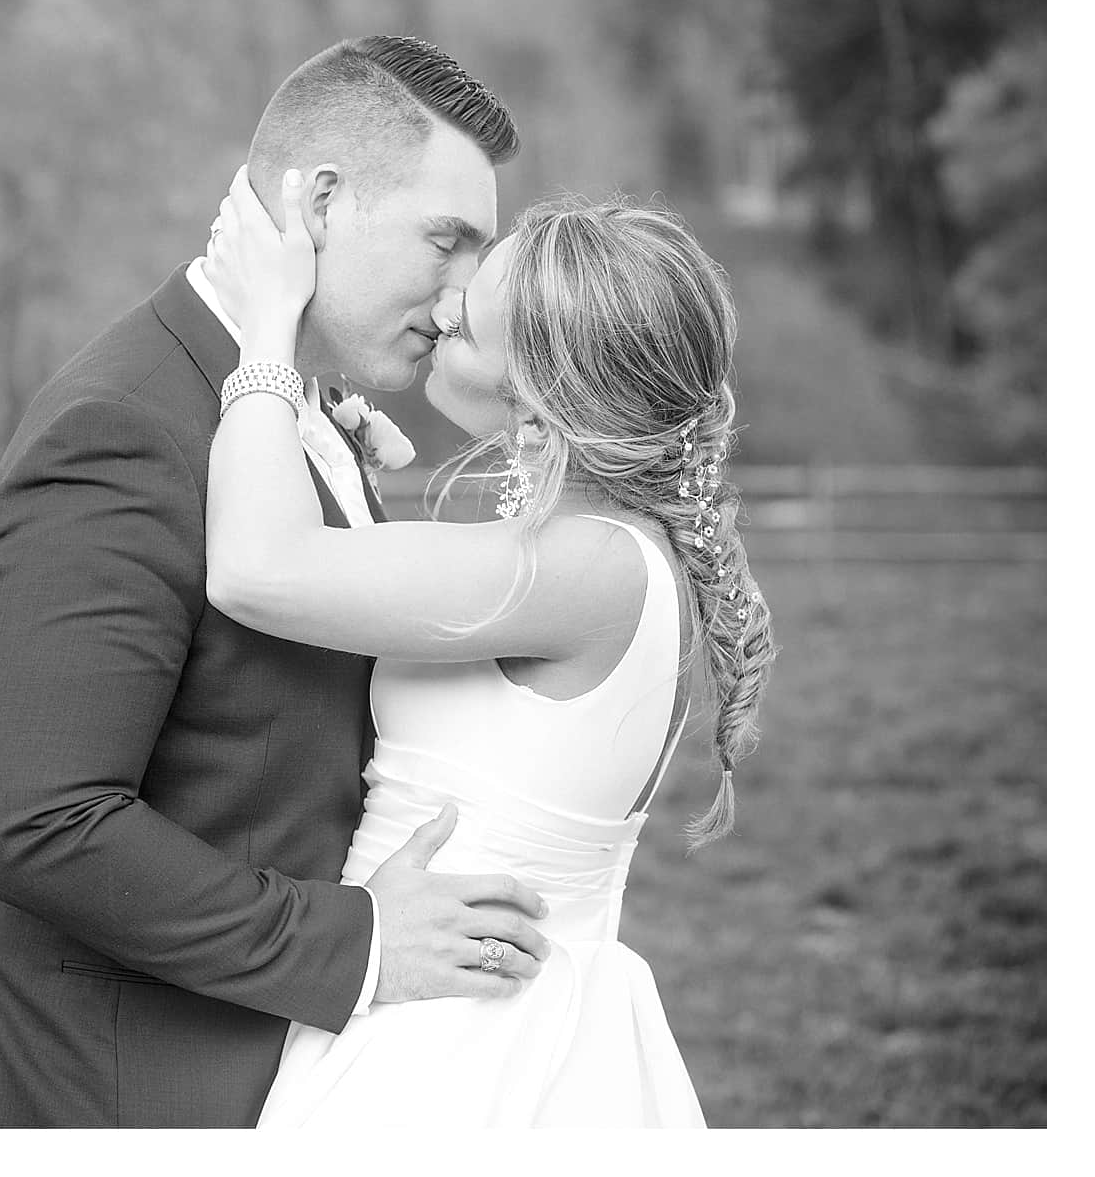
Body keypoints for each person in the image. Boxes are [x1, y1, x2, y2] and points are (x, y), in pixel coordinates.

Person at [0, 38, 553, 1130]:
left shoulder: (286, 407)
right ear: (319, 203)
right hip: (98, 1092)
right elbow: (42, 821)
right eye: (445, 242)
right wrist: (359, 941)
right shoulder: (126, 428)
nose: (462, 297)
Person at [205, 172, 776, 1128]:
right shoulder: (601, 549)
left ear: (544, 402)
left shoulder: (589, 567)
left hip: (460, 1053)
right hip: (459, 1003)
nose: (439, 310)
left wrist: (267, 331)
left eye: (465, 324)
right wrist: (323, 430)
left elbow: (259, 569)